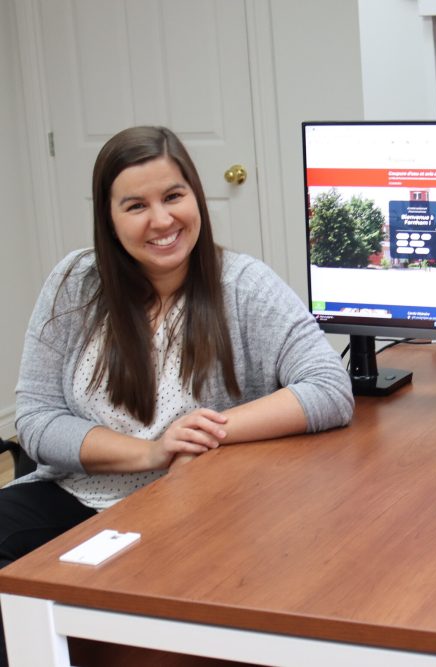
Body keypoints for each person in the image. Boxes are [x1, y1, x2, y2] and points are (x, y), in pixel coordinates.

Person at [0, 126, 354, 664]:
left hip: (192, 508)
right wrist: (151, 451)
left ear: (196, 197)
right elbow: (36, 418)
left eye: (173, 196)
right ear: (109, 218)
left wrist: (207, 433)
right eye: (136, 205)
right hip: (76, 492)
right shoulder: (75, 281)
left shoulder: (243, 285)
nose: (162, 220)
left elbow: (329, 387)